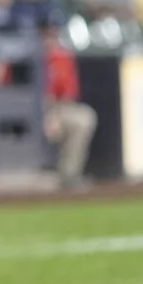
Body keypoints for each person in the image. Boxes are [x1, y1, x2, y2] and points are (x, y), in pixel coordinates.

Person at [41, 22, 97, 190]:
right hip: (32, 112)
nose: (49, 39)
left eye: (53, 34)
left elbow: (67, 95)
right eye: (46, 34)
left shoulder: (61, 57)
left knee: (85, 118)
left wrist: (54, 116)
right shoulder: (29, 55)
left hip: (55, 109)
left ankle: (69, 175)